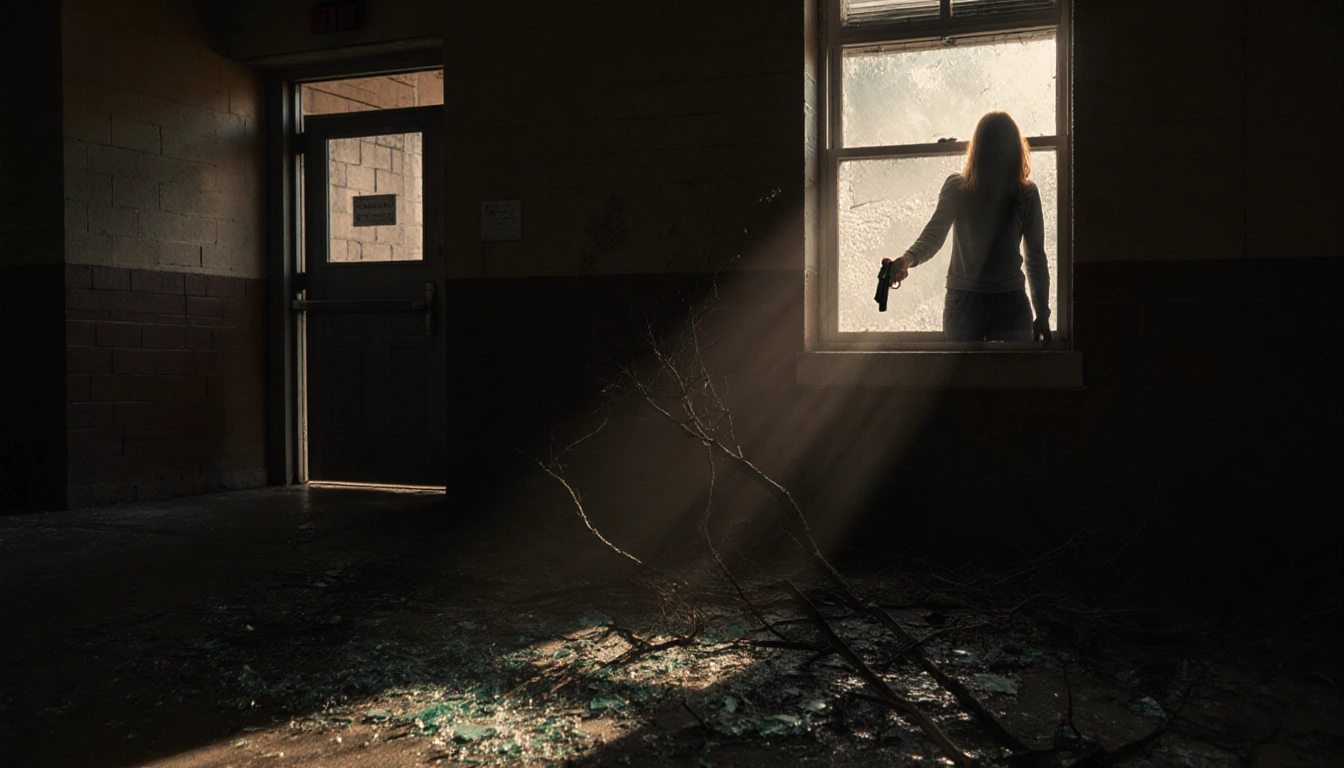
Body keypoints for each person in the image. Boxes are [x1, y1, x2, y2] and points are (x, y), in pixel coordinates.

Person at [885, 111, 1052, 342]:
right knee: (1013, 376)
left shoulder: (962, 188)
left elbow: (933, 237)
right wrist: (1042, 314)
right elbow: (1035, 259)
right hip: (1005, 301)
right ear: (1015, 148)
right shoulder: (1024, 193)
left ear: (977, 148)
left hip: (967, 301)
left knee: (966, 376)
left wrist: (907, 259)